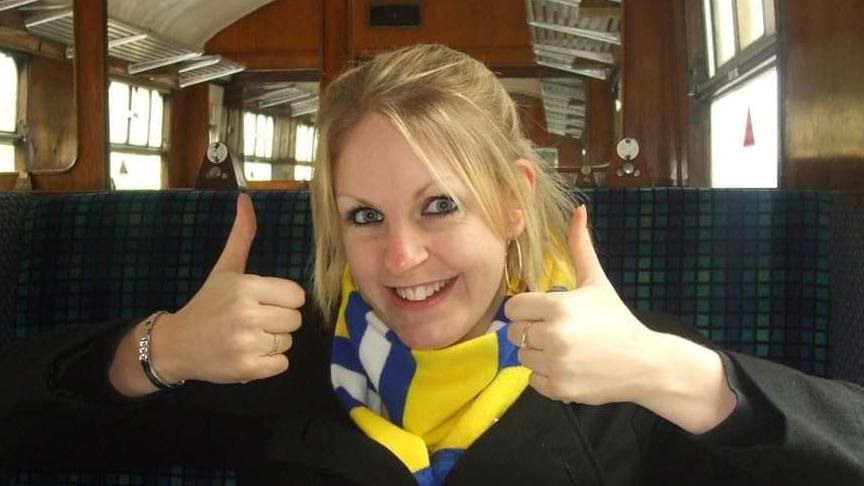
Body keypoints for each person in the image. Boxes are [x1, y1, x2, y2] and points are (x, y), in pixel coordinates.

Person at [2, 44, 863, 486]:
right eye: (364, 217)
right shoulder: (275, 361)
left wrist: (685, 379)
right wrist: (161, 350)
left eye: (439, 205)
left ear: (515, 199)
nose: (401, 257)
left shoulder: (626, 370)